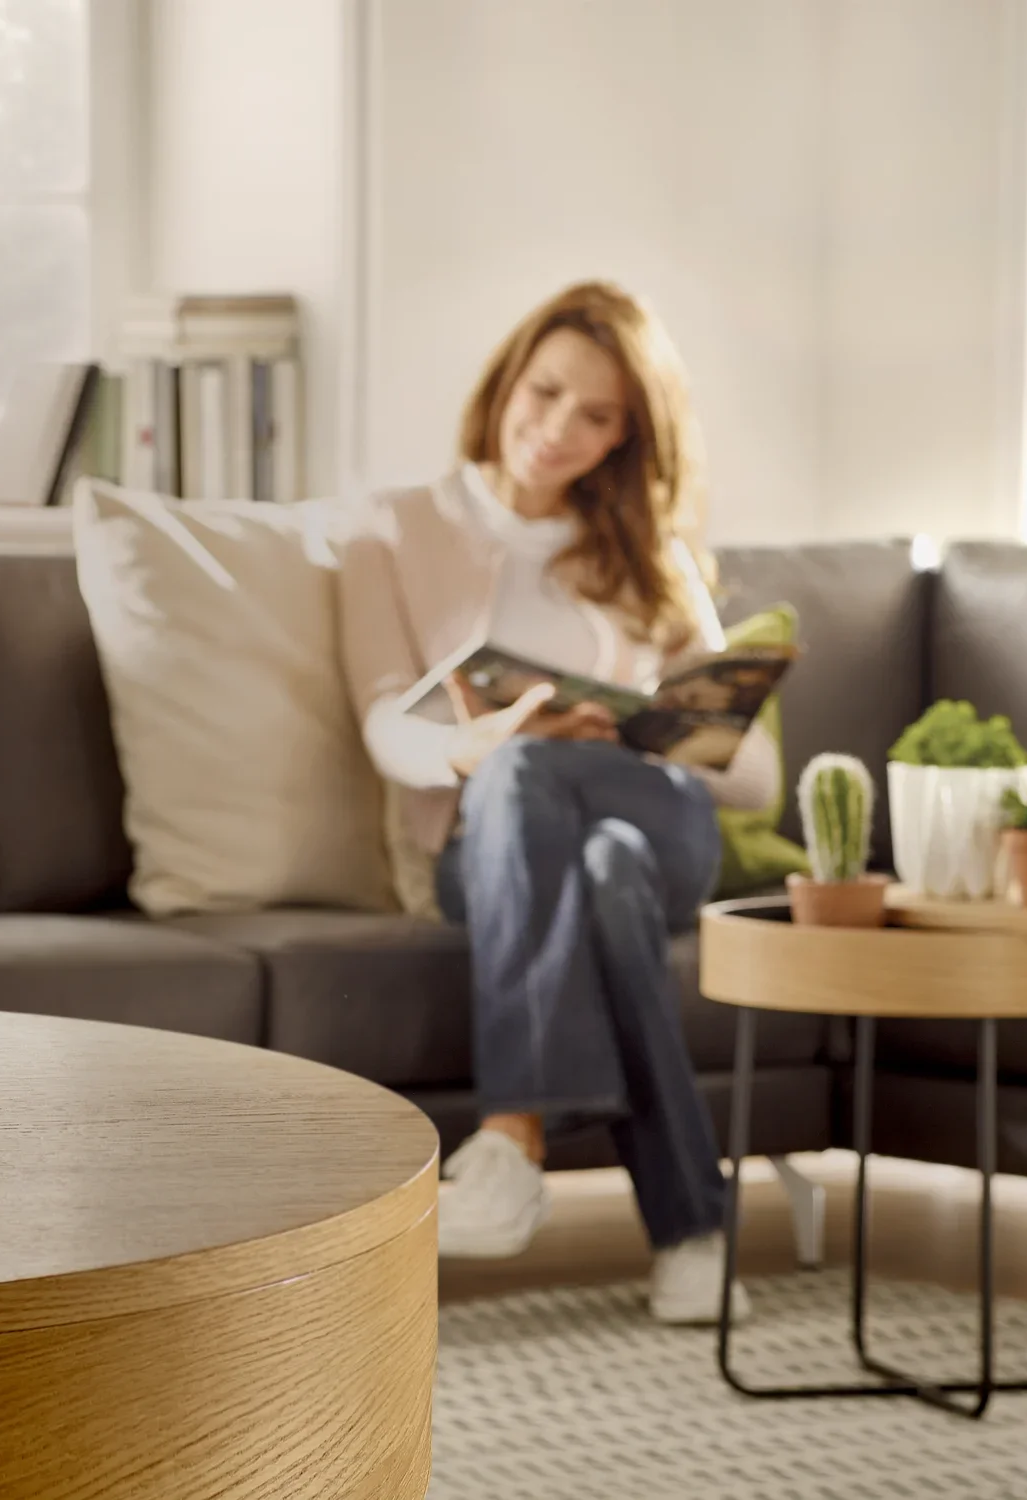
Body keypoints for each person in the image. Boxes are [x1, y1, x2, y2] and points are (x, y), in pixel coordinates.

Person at [337, 281, 780, 1325]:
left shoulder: (648, 556)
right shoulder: (390, 530)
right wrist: (470, 747)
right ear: (506, 378)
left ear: (628, 437)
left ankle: (511, 1137)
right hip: (484, 839)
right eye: (544, 395)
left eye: (597, 419)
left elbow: (751, 775)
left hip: (657, 812)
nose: (557, 431)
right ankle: (693, 1228)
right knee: (596, 867)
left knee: (571, 799)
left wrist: (629, 725)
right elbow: (378, 722)